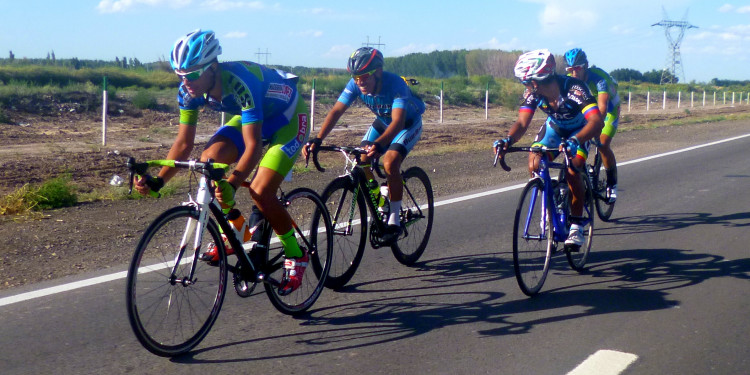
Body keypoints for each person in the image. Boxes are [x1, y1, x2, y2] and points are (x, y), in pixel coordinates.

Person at [134, 29, 310, 295]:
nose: (186, 82)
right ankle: (236, 228)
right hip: (254, 117)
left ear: (212, 67)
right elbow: (183, 144)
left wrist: (234, 181)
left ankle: (296, 253)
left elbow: (252, 146)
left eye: (192, 74)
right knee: (209, 161)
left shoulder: (240, 82)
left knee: (260, 190)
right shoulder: (188, 92)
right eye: (180, 75)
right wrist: (159, 179)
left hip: (288, 117)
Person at [302, 47, 425, 244]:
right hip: (383, 122)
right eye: (356, 77)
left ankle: (394, 219)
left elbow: (398, 123)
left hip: (407, 124)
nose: (359, 82)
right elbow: (336, 112)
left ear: (377, 72)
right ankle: (379, 199)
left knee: (390, 163)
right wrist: (318, 139)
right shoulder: (355, 85)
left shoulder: (396, 85)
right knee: (362, 159)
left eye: (364, 77)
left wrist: (379, 144)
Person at [494, 49, 603, 247]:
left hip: (580, 130)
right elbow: (521, 123)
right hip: (555, 128)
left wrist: (576, 140)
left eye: (525, 82)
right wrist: (507, 140)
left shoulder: (574, 88)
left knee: (572, 169)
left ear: (535, 81)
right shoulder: (533, 94)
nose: (525, 86)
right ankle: (552, 204)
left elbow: (596, 122)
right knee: (535, 162)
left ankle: (577, 227)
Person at [564, 48, 620, 203]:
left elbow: (602, 108)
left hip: (609, 110)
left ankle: (611, 183)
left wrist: (595, 128)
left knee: (602, 143)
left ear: (586, 65)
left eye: (578, 68)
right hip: (588, 110)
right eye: (570, 69)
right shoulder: (569, 80)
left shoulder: (599, 79)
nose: (574, 73)